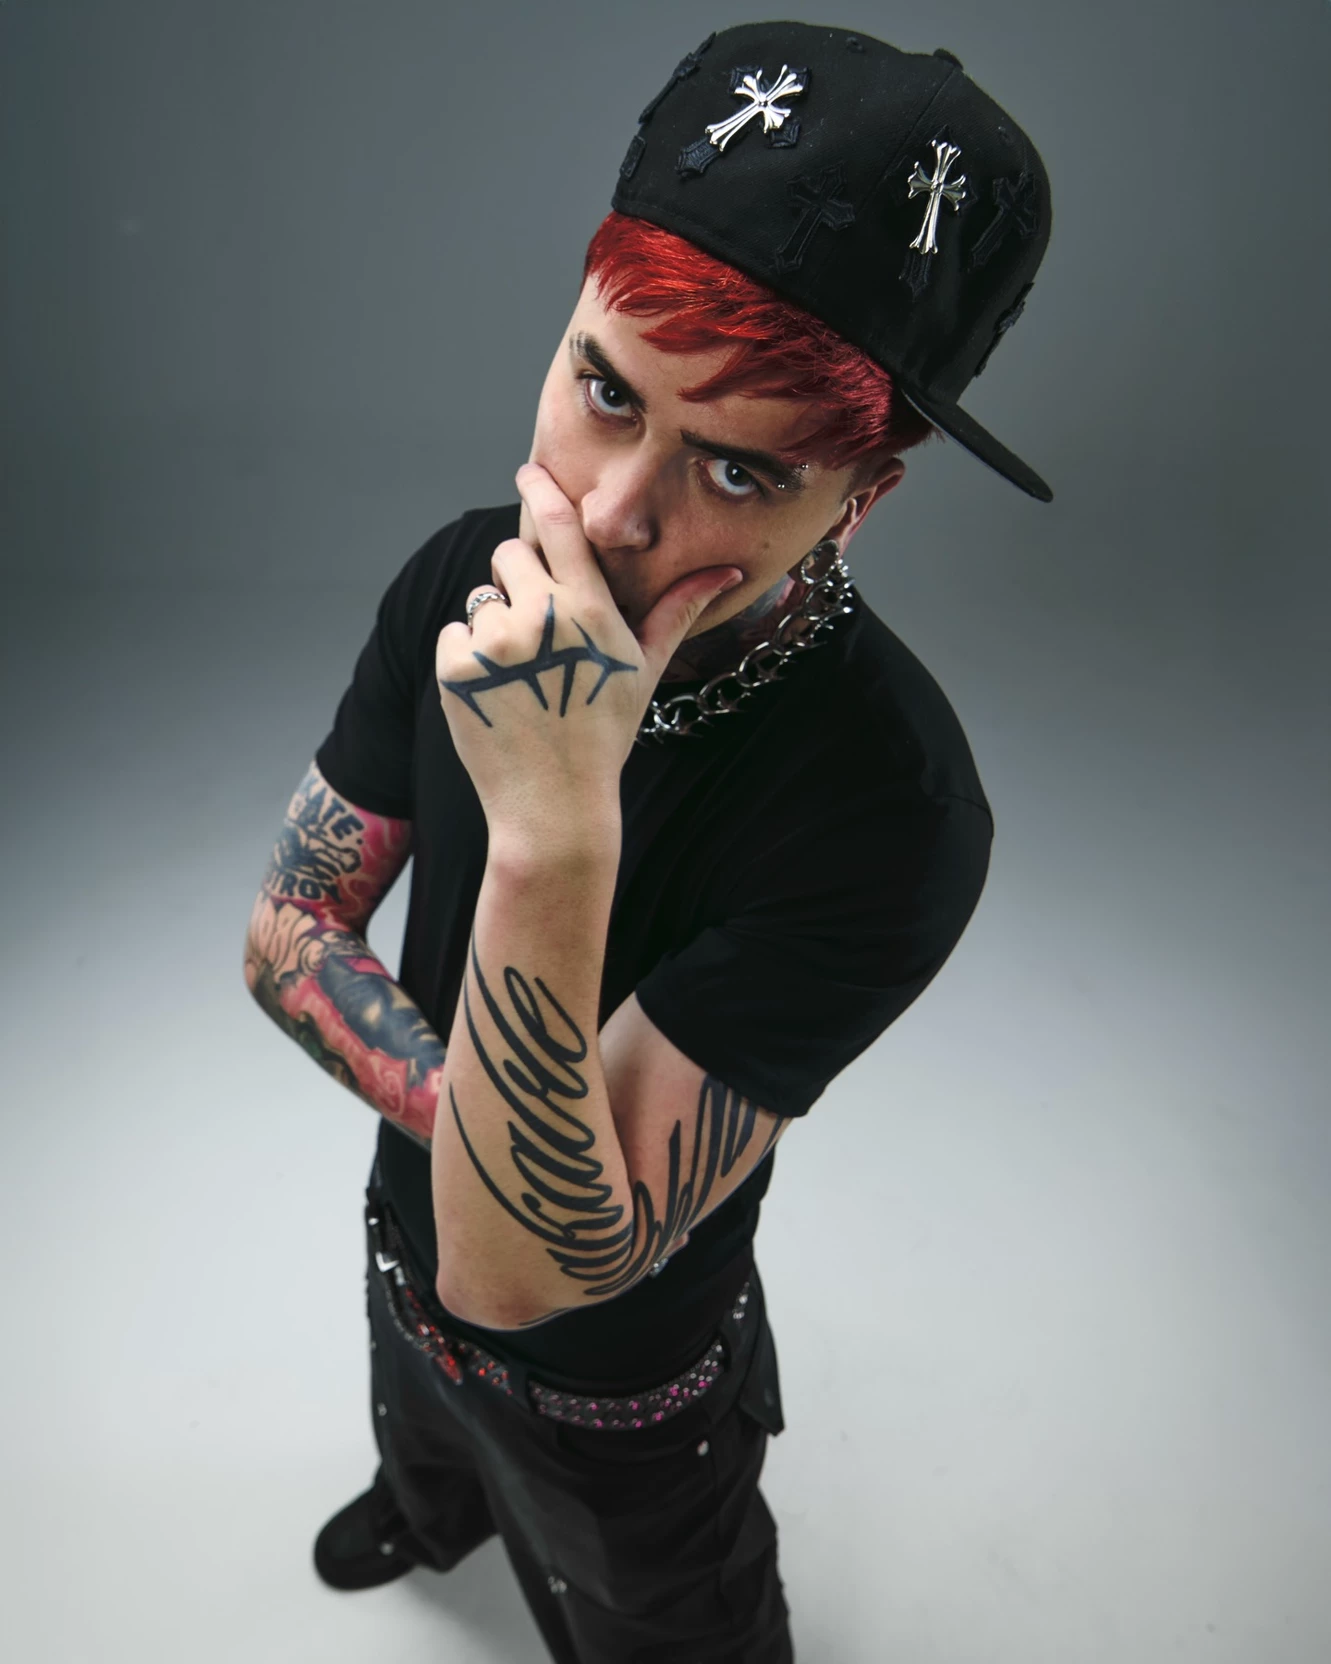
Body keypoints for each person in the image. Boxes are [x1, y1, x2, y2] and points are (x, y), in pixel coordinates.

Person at [243, 22, 1053, 1662]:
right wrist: (470, 1147)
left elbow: (527, 1271)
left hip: (622, 1392)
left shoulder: (892, 806)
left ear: (858, 500)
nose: (612, 513)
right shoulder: (461, 575)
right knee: (424, 1433)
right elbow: (283, 942)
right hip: (403, 1244)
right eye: (605, 389)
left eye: (738, 468)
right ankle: (433, 1507)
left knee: (669, 1619)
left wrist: (554, 827)